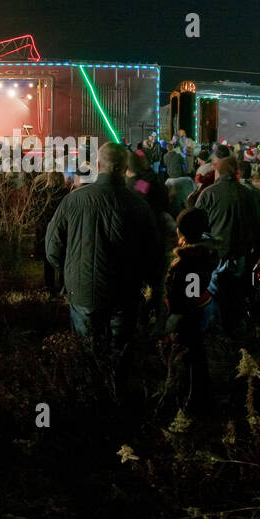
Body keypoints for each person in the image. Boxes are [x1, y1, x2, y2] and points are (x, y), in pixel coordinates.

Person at [44, 142, 159, 367]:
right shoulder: (138, 204)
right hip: (125, 291)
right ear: (126, 167)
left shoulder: (73, 200)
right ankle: (117, 394)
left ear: (97, 165)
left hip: (83, 287)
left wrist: (70, 271)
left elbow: (52, 248)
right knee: (120, 351)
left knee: (87, 352)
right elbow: (153, 252)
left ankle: (90, 394)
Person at [190, 152, 260, 333]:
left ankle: (216, 330)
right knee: (236, 293)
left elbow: (195, 225)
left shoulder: (208, 194)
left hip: (215, 254)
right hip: (240, 253)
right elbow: (259, 227)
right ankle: (236, 330)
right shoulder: (248, 194)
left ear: (219, 172)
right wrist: (257, 252)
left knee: (213, 293)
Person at [162, 207, 220, 417]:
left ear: (181, 231)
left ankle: (191, 402)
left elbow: (189, 293)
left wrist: (175, 318)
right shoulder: (206, 251)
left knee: (188, 359)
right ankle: (198, 397)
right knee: (197, 356)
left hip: (189, 314)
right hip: (202, 308)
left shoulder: (188, 261)